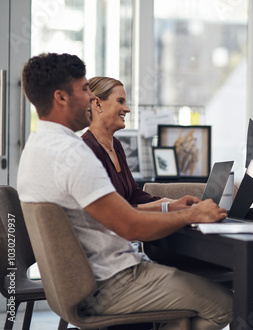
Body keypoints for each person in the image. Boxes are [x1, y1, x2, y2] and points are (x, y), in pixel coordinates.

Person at [18, 53, 232, 330]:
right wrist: (194, 213)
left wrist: (174, 208)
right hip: (112, 281)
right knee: (228, 303)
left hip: (88, 282)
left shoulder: (35, 149)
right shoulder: (74, 153)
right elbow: (130, 226)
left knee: (193, 305)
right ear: (61, 97)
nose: (89, 98)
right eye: (84, 89)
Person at [82, 76, 179, 212]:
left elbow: (133, 194)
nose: (127, 109)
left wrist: (169, 202)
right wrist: (165, 207)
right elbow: (111, 212)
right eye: (120, 101)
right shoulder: (86, 150)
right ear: (97, 104)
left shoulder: (116, 146)